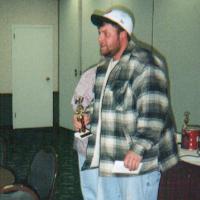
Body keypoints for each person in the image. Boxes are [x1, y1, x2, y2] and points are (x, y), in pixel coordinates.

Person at [73, 5, 178, 200]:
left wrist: (138, 148)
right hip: (110, 159)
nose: (99, 39)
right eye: (99, 33)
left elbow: (154, 111)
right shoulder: (105, 68)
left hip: (137, 164)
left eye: (106, 33)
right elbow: (101, 108)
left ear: (123, 34)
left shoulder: (145, 62)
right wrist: (84, 119)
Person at [71, 66, 98, 200]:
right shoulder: (91, 75)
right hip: (89, 146)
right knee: (91, 191)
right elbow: (79, 103)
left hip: (116, 148)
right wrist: (80, 117)